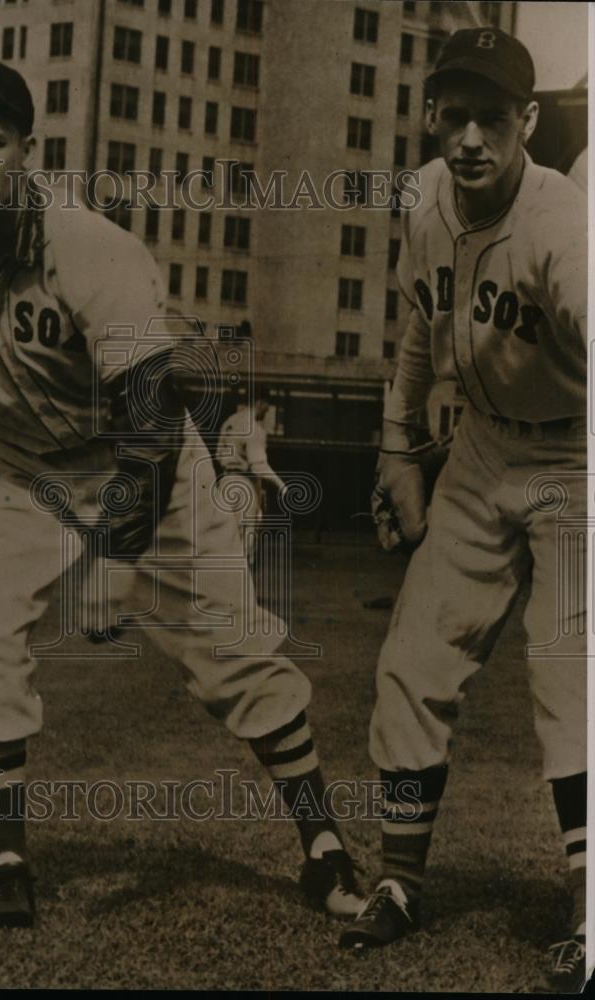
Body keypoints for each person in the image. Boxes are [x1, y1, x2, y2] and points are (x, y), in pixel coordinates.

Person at [0, 56, 362, 929]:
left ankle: (325, 850)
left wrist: (116, 557)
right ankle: (7, 864)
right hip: (18, 470)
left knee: (235, 654)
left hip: (144, 463)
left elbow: (149, 424)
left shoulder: (95, 250)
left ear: (27, 151)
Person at [338, 29, 587, 993]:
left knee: (571, 674)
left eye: (493, 115)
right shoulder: (421, 201)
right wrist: (397, 447)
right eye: (454, 112)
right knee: (412, 659)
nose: (471, 135)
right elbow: (415, 331)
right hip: (481, 450)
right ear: (432, 112)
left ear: (528, 122)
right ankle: (400, 883)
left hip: (577, 453)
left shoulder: (564, 225)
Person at [215, 398, 286, 566]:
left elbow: (218, 453)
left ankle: (222, 588)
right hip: (244, 484)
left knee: (224, 537)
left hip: (225, 482)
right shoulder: (254, 428)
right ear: (260, 403)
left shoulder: (230, 422)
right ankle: (240, 588)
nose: (266, 413)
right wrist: (281, 485)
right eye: (266, 408)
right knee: (246, 538)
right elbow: (258, 465)